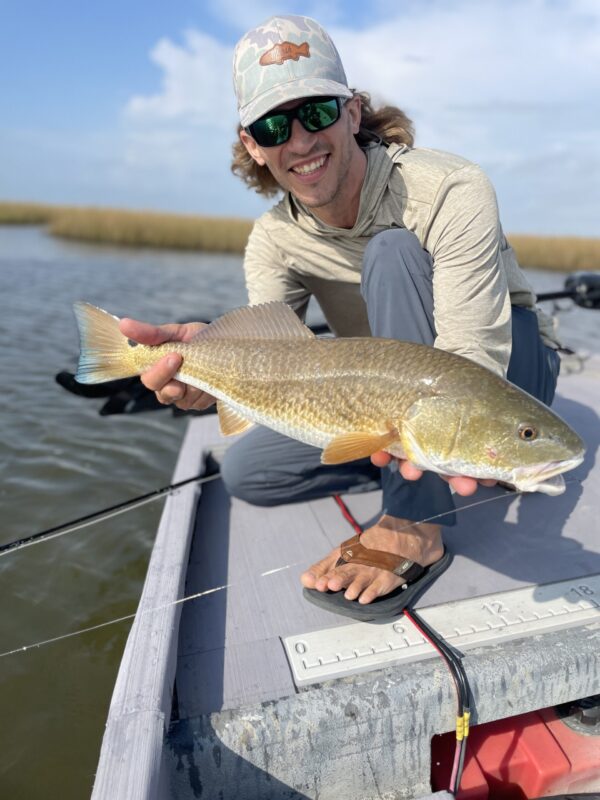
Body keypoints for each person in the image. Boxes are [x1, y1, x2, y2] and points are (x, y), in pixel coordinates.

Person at [120, 15, 561, 620]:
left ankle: (413, 521)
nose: (300, 141)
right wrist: (210, 367)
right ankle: (406, 461)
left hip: (503, 374)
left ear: (353, 112)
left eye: (318, 113)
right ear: (253, 144)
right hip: (382, 392)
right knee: (248, 472)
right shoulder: (272, 240)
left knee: (392, 250)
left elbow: (467, 363)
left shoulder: (450, 187)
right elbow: (276, 352)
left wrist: (428, 464)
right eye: (275, 125)